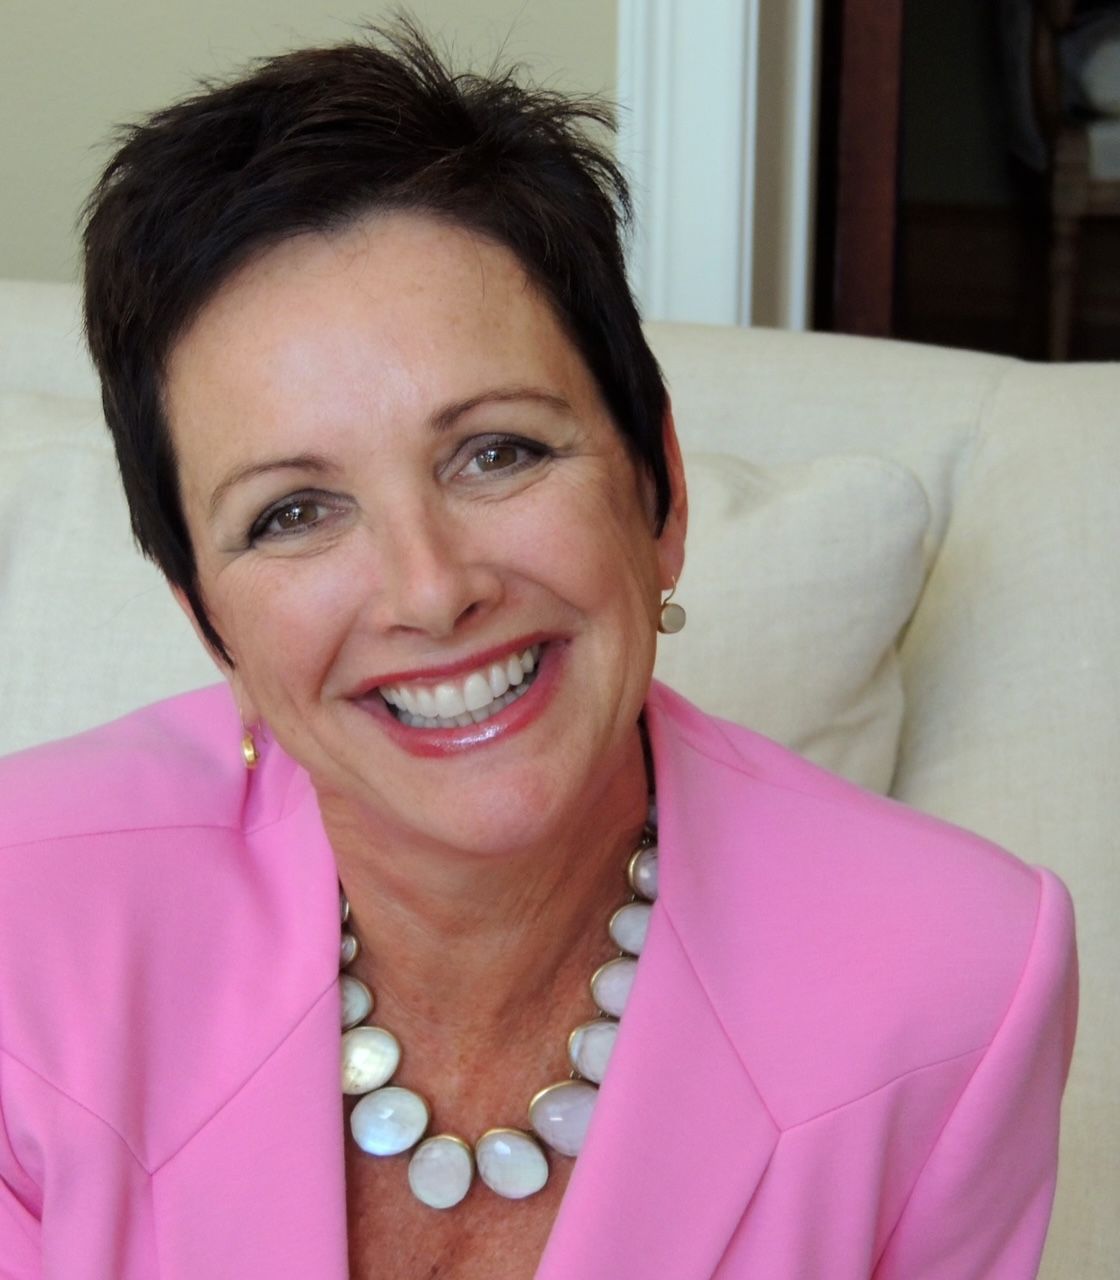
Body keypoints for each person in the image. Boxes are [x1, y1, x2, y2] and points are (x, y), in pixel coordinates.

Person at [0, 24, 1076, 1280]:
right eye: (293, 511)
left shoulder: (959, 976)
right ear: (208, 620)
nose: (432, 587)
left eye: (497, 450)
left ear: (658, 489)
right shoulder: (23, 934)